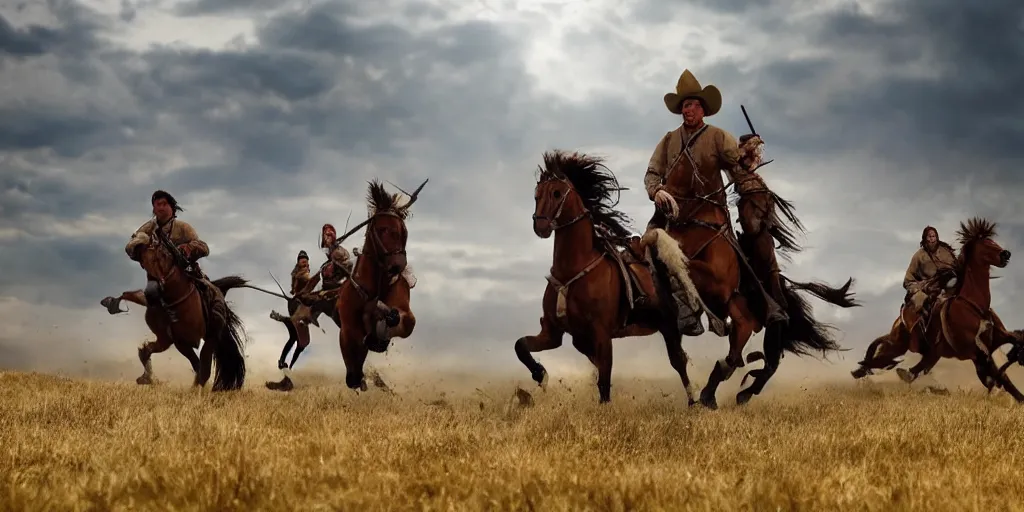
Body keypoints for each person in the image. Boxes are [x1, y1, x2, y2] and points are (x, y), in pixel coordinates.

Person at [643, 69, 786, 334]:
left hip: (711, 215)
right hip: (672, 212)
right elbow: (652, 172)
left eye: (693, 105)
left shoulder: (719, 137)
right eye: (685, 105)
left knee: (745, 255)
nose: (688, 110)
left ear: (703, 110)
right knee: (647, 248)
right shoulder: (668, 140)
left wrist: (751, 163)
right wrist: (656, 192)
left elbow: (739, 166)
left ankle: (768, 303)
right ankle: (660, 305)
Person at [101, 190, 217, 323]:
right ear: (153, 208)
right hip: (156, 277)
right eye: (157, 204)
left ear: (171, 208)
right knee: (151, 293)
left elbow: (204, 247)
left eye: (164, 204)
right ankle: (123, 302)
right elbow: (131, 247)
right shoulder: (148, 228)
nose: (160, 207)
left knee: (211, 292)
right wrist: (139, 246)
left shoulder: (183, 227)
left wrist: (188, 248)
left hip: (186, 274)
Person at [903, 225, 958, 318]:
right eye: (929, 236)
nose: (932, 239)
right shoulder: (919, 256)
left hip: (951, 285)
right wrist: (921, 289)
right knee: (923, 308)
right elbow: (908, 281)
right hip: (929, 290)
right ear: (925, 239)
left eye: (934, 236)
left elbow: (957, 267)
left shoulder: (946, 251)